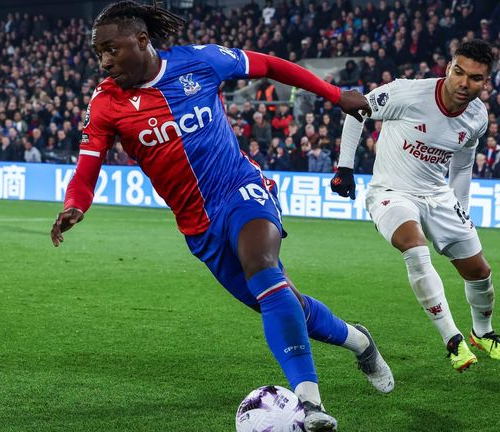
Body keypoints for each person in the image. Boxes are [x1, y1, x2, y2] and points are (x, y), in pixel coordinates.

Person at [49, 3, 392, 430]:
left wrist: (336, 95)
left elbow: (268, 65)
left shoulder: (199, 62)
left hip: (241, 189)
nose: (104, 61)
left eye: (110, 49)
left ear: (141, 40)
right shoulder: (105, 104)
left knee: (263, 267)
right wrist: (74, 204)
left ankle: (311, 405)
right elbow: (87, 167)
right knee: (282, 302)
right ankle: (360, 341)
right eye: (98, 53)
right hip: (199, 227)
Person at [331, 39, 500, 373]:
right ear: (448, 68)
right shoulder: (408, 93)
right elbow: (355, 107)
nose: (464, 83)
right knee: (413, 245)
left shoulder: (476, 116)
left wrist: (462, 207)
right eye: (459, 72)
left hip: (438, 196)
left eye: (475, 78)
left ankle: (482, 332)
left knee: (479, 272)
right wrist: (345, 166)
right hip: (392, 191)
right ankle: (452, 339)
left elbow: (462, 165)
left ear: (486, 82)